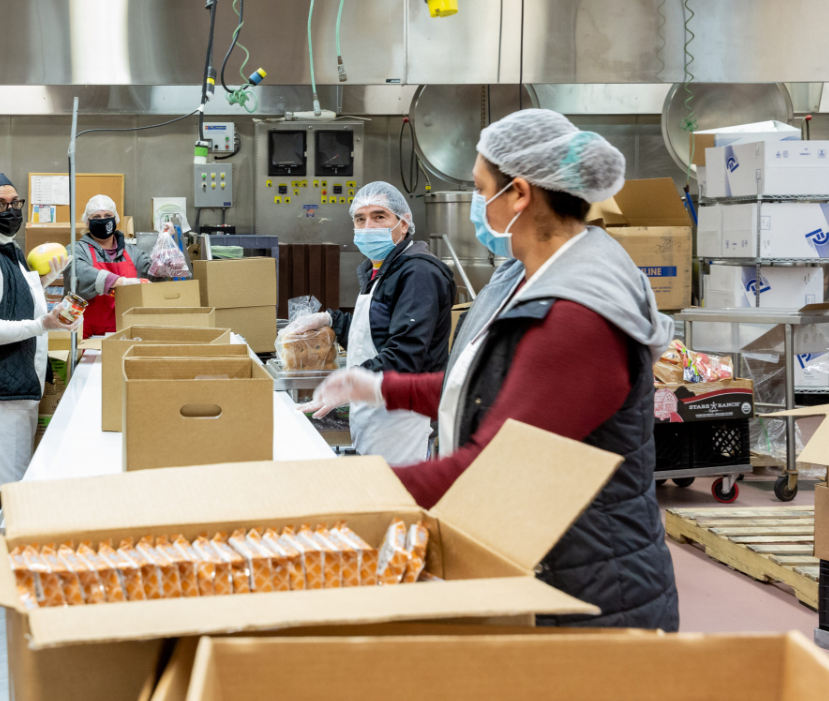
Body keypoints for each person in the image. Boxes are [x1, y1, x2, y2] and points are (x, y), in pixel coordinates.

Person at [302, 110, 679, 631]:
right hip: (550, 563)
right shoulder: (528, 274)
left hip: (587, 593)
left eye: (481, 189)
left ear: (519, 194)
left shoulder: (577, 315)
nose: (479, 205)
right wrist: (383, 386)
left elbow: (493, 468)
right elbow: (491, 387)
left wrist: (349, 491)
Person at [288, 181, 455, 465]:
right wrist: (331, 320)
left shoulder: (418, 273)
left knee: (398, 499)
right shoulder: (380, 269)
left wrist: (350, 382)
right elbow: (375, 331)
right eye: (360, 219)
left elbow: (405, 354)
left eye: (379, 217)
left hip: (404, 417)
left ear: (404, 224)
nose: (368, 227)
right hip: (375, 410)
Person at [0, 174, 80, 529]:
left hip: (15, 379)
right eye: (0, 205)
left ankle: (3, 556)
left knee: (12, 473)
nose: (11, 210)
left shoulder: (7, 249)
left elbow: (15, 302)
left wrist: (46, 283)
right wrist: (44, 325)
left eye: (15, 203)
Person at [69, 194, 153, 338]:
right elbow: (79, 272)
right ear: (88, 222)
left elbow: (154, 273)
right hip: (90, 336)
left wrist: (167, 253)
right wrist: (121, 282)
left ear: (115, 219)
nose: (103, 220)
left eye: (108, 215)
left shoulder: (132, 252)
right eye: (96, 217)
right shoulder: (77, 250)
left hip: (127, 333)